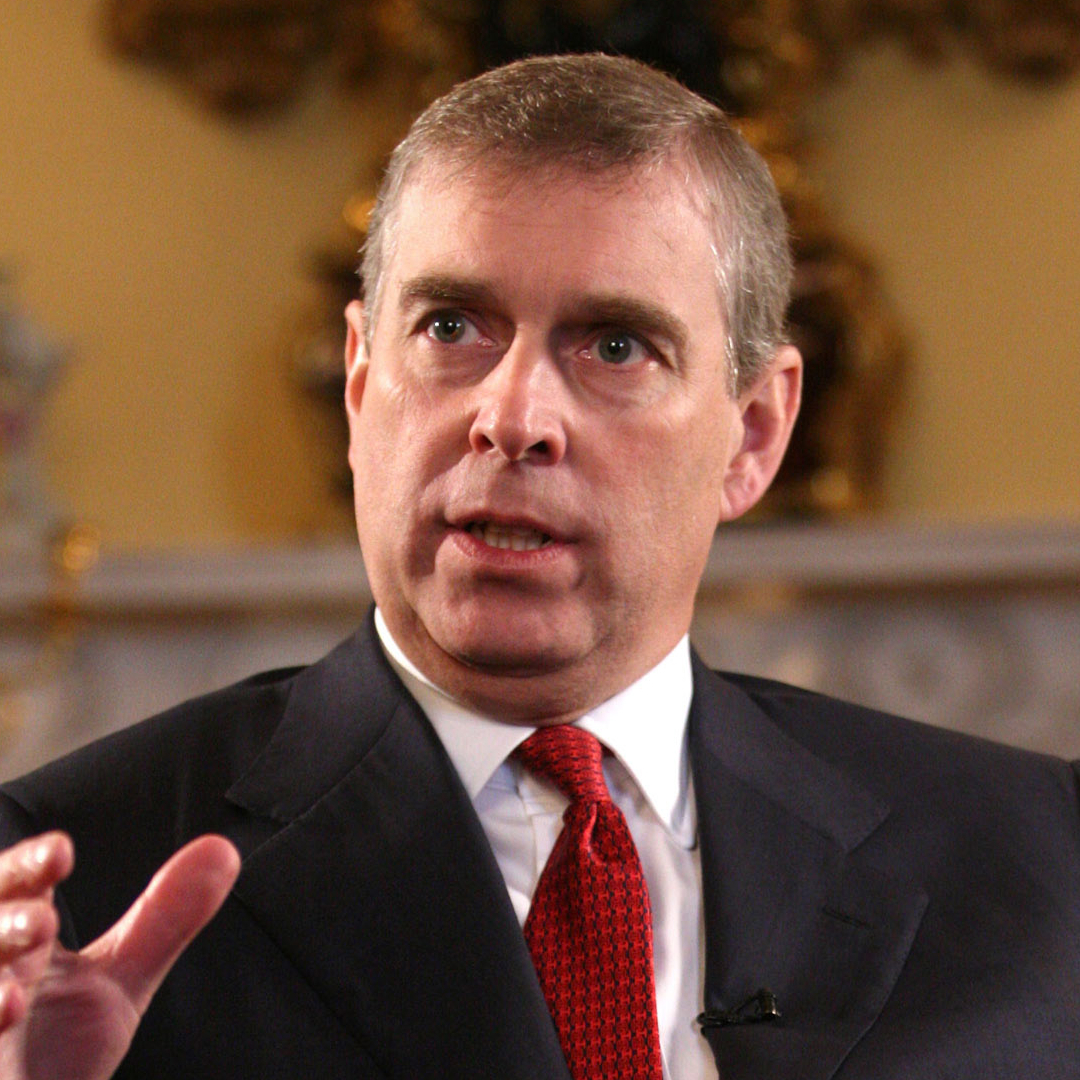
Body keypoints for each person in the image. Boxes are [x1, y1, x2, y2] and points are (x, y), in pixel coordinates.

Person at [0, 53, 1077, 1080]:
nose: (512, 418)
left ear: (751, 434)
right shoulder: (69, 886)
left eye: (615, 346)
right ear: (360, 383)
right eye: (452, 326)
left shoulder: (1038, 861)